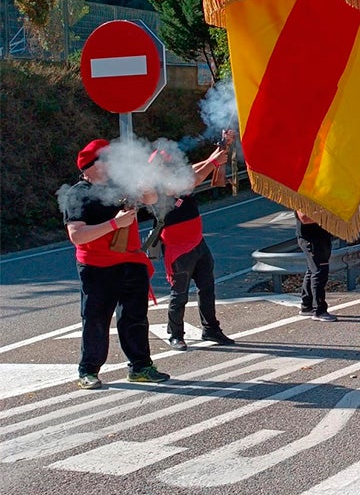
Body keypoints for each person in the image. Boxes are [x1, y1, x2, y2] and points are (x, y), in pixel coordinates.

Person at [62, 139, 169, 389]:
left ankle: (140, 367)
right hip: (97, 267)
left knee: (135, 317)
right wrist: (114, 224)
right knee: (96, 318)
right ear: (92, 166)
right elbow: (77, 235)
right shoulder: (77, 194)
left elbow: (151, 198)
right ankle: (87, 370)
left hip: (131, 261)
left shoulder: (121, 183)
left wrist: (146, 186)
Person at [148, 147, 236, 350]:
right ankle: (175, 334)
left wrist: (214, 155)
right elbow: (190, 181)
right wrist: (213, 163)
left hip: (198, 242)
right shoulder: (158, 186)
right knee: (179, 295)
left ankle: (211, 329)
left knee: (207, 288)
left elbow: (191, 170)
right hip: (178, 248)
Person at [295, 210, 338, 321]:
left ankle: (307, 306)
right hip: (312, 239)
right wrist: (328, 213)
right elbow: (305, 218)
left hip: (320, 237)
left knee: (312, 270)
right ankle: (319, 310)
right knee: (319, 272)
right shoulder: (301, 197)